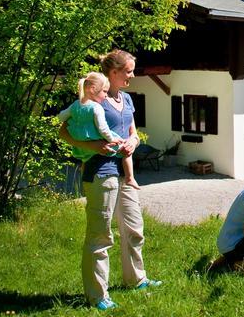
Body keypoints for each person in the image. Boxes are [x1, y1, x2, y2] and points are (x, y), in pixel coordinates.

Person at [58, 50, 161, 311]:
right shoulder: (93, 99)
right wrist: (94, 146)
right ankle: (97, 296)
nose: (132, 75)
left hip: (124, 172)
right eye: (128, 71)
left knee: (134, 228)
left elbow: (132, 131)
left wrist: (134, 142)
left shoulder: (126, 98)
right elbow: (63, 132)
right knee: (100, 234)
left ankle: (136, 279)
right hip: (100, 172)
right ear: (113, 73)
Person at [58, 72, 140, 190]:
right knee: (123, 147)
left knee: (87, 157)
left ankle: (85, 170)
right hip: (96, 139)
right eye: (104, 92)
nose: (106, 95)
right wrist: (112, 139)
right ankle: (130, 177)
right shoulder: (97, 107)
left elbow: (61, 116)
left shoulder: (76, 104)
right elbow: (102, 128)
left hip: (81, 136)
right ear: (92, 89)